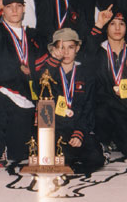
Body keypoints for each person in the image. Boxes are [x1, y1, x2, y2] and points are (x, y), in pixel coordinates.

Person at [0, 0, 49, 165]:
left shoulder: (33, 36)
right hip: (4, 94)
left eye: (18, 6)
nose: (15, 10)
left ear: (24, 9)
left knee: (21, 155)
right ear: (3, 10)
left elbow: (44, 71)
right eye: (9, 7)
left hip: (27, 99)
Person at [35, 28, 105, 174]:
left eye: (70, 47)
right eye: (61, 47)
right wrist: (53, 63)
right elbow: (40, 90)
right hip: (57, 130)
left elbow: (89, 108)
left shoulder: (87, 74)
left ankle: (74, 162)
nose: (66, 52)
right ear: (53, 49)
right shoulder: (48, 72)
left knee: (96, 158)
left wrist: (79, 132)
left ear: (77, 48)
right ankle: (68, 160)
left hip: (78, 128)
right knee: (57, 158)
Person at [90, 11, 127, 167]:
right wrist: (99, 23)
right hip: (104, 113)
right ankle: (104, 141)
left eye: (121, 24)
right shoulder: (97, 51)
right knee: (102, 111)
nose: (117, 28)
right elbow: (84, 52)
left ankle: (118, 140)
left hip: (126, 112)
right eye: (112, 24)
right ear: (106, 27)